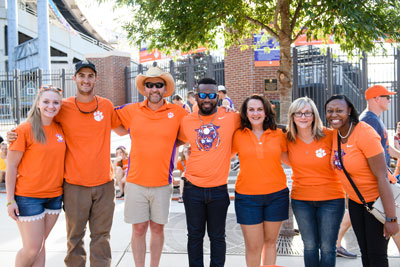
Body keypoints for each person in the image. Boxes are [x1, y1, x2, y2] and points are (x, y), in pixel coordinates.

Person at [8, 60, 126, 267]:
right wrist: (12, 135)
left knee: (101, 237)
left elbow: (124, 129)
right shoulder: (64, 107)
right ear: (75, 79)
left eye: (90, 76)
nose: (86, 80)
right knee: (74, 239)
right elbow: (38, 121)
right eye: (82, 76)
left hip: (104, 183)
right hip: (74, 184)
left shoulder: (106, 106)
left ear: (96, 79)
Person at [115, 66, 188, 267]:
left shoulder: (178, 112)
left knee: (157, 229)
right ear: (144, 89)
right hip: (135, 182)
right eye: (150, 85)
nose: (154, 89)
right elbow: (107, 118)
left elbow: (183, 137)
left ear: (165, 89)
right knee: (138, 229)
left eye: (158, 85)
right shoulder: (131, 110)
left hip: (162, 183)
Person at [325, 94, 399, 267]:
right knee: (365, 253)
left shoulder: (364, 132)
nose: (334, 114)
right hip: (357, 203)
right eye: (330, 111)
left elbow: (382, 177)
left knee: (377, 255)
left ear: (349, 110)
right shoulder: (335, 134)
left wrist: (391, 219)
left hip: (377, 201)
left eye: (339, 110)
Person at [178, 77, 240, 267]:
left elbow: (256, 124)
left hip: (218, 190)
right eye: (203, 95)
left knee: (218, 237)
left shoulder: (232, 117)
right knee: (195, 237)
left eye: (211, 95)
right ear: (196, 96)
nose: (207, 99)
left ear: (218, 96)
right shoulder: (187, 121)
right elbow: (174, 141)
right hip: (192, 188)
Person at [6, 85, 65, 266]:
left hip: (54, 197)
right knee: (31, 248)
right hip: (28, 198)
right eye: (46, 101)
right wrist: (10, 200)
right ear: (38, 103)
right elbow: (11, 166)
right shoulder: (24, 130)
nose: (51, 106)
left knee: (40, 245)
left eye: (55, 102)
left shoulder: (60, 129)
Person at [285, 97, 345, 267]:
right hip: (301, 200)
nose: (303, 117)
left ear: (314, 115)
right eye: (299, 113)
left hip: (331, 199)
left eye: (307, 113)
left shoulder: (330, 135)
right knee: (310, 246)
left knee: (327, 247)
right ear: (292, 116)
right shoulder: (287, 139)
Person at [232, 94, 289, 267]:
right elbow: (220, 155)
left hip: (277, 195)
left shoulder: (279, 134)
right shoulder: (237, 135)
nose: (255, 113)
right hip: (247, 198)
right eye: (251, 109)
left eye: (259, 109)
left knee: (271, 242)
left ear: (266, 112)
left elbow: (293, 159)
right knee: (253, 245)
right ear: (245, 113)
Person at [359, 84, 400, 253]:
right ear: (376, 99)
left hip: (383, 179)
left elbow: (383, 147)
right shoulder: (369, 120)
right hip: (377, 183)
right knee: (391, 222)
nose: (390, 100)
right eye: (387, 97)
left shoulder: (375, 118)